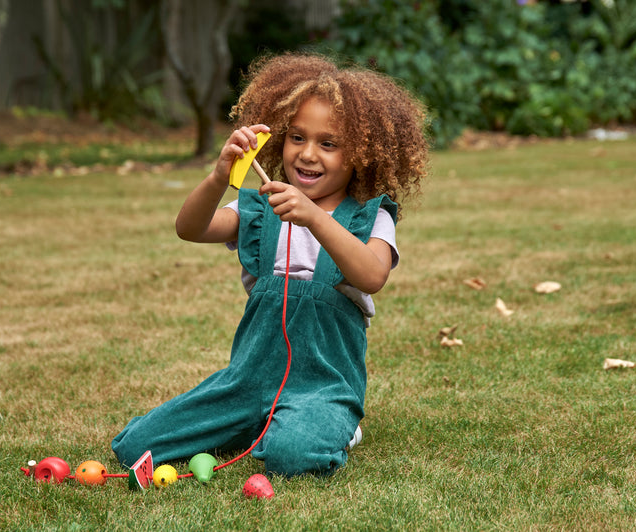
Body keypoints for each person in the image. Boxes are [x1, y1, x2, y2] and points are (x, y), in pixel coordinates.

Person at [112, 53, 428, 477]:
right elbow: (191, 228)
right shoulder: (262, 208)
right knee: (135, 446)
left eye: (328, 143)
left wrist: (314, 216)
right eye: (297, 137)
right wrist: (218, 177)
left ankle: (334, 425)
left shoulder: (369, 216)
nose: (308, 154)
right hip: (246, 382)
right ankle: (258, 422)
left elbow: (372, 275)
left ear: (362, 154)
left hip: (322, 387)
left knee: (291, 457)